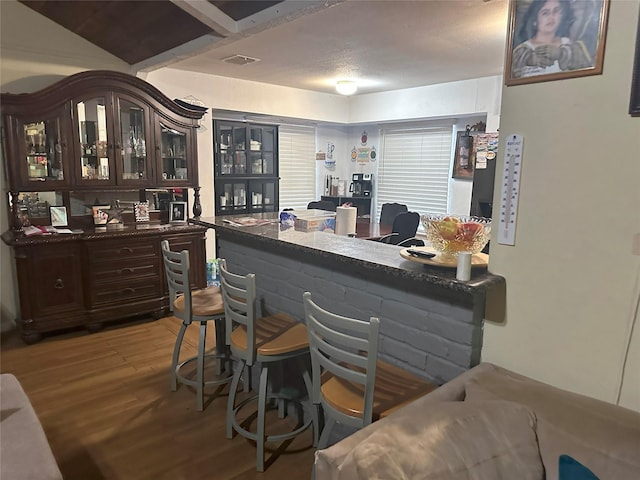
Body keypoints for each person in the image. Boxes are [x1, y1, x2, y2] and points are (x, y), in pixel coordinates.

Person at [511, 0, 592, 79]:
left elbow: (587, 74)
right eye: (545, 13)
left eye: (556, 11)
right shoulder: (522, 52)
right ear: (535, 19)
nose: (551, 17)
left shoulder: (569, 45)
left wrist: (561, 54)